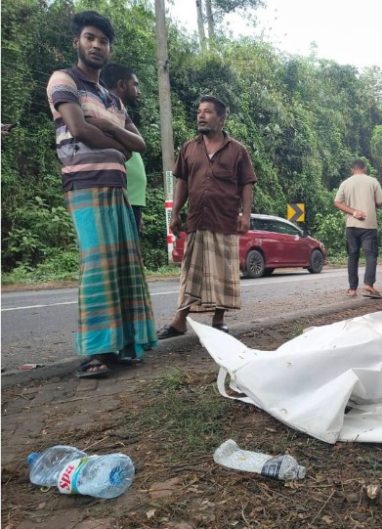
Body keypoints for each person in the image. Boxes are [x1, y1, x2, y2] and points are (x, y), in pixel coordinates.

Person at [46, 11, 156, 377]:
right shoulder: (64, 80)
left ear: (109, 49)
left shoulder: (112, 99)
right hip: (85, 185)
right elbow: (77, 128)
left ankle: (124, 346)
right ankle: (96, 351)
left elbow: (138, 144)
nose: (96, 45)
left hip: (117, 187)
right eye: (90, 38)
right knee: (97, 265)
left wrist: (108, 125)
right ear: (76, 41)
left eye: (103, 41)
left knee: (124, 265)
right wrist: (118, 144)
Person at [157, 95, 256, 339]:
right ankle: (179, 321)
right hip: (196, 220)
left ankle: (219, 320)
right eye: (199, 111)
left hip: (225, 221)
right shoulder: (189, 148)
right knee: (191, 272)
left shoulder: (237, 151)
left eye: (208, 112)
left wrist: (245, 215)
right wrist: (176, 212)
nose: (201, 115)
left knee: (223, 273)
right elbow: (182, 182)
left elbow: (246, 184)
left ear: (221, 119)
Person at [101, 63, 146, 232]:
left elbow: (140, 144)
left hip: (131, 200)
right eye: (135, 84)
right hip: (118, 198)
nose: (138, 91)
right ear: (121, 85)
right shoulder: (105, 111)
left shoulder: (122, 114)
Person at [334, 159, 382, 298]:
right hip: (369, 225)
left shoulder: (345, 183)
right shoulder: (373, 182)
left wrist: (353, 212)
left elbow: (337, 202)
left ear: (352, 169)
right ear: (365, 168)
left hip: (351, 225)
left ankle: (352, 289)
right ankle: (368, 284)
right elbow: (380, 202)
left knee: (353, 256)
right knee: (370, 255)